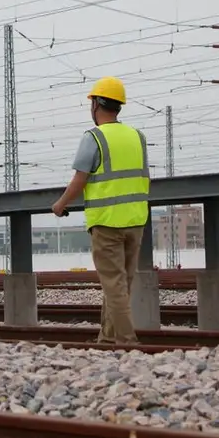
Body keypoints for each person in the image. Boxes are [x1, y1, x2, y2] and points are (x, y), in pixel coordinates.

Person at [50, 76, 149, 344]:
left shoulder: (93, 137)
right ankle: (106, 339)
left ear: (96, 104)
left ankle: (127, 341)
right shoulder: (137, 136)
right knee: (121, 284)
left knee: (114, 285)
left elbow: (80, 180)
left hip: (107, 222)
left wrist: (60, 205)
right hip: (136, 220)